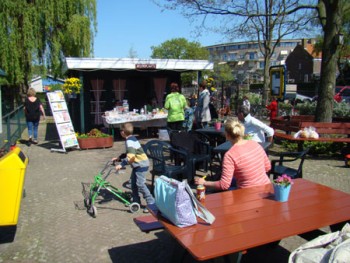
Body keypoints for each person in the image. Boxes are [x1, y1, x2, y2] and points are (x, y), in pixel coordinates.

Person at [195, 119, 271, 190]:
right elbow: (268, 167)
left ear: (227, 136)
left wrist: (204, 183)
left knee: (216, 194)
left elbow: (224, 185)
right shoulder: (255, 144)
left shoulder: (230, 155)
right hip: (266, 187)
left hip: (247, 192)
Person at [112, 123, 155, 213]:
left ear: (123, 132)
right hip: (137, 165)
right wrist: (119, 158)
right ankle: (136, 201)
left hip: (141, 165)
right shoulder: (131, 139)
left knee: (140, 184)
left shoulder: (129, 141)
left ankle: (151, 202)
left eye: (120, 131)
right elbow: (129, 153)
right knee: (133, 184)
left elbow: (131, 157)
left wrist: (122, 164)